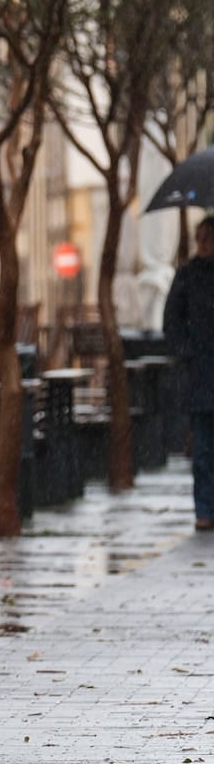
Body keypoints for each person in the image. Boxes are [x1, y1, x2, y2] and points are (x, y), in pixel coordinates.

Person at [164, 214, 214, 532]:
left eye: (208, 237)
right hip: (200, 377)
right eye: (199, 238)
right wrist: (187, 351)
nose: (202, 244)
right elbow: (171, 321)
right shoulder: (187, 275)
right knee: (204, 450)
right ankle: (205, 510)